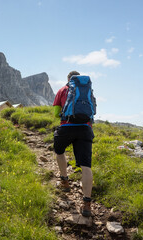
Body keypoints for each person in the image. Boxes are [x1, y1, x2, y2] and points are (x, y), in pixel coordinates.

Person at [53, 70, 95, 217]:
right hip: (85, 128)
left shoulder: (62, 90)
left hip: (66, 127)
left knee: (59, 151)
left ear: (69, 79)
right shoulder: (89, 91)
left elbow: (55, 113)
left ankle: (64, 181)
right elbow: (93, 111)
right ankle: (87, 204)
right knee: (86, 166)